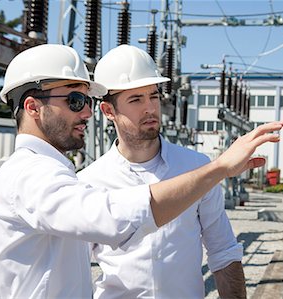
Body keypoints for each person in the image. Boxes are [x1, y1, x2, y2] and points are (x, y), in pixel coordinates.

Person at [0, 43, 283, 298]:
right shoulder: (36, 176)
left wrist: (212, 171)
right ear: (33, 107)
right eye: (76, 101)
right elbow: (114, 218)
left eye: (153, 96)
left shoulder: (60, 176)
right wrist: (218, 168)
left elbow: (223, 251)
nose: (87, 112)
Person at [78, 44, 247, 299]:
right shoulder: (88, 183)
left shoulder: (197, 168)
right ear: (108, 110)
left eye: (153, 96)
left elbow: (223, 252)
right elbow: (75, 270)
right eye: (136, 99)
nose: (150, 108)